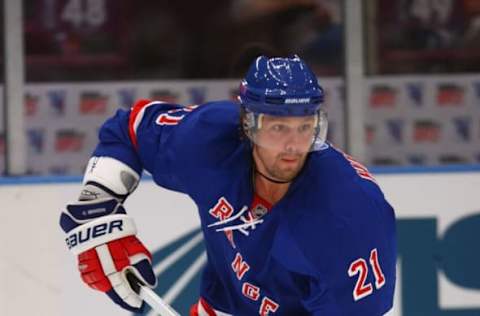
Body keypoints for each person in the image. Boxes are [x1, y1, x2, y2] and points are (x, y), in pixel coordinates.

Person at [60, 55, 396, 315]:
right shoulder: (210, 139)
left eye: (305, 126)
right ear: (247, 124)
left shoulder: (348, 218)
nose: (294, 145)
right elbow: (128, 131)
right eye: (278, 128)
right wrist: (97, 207)